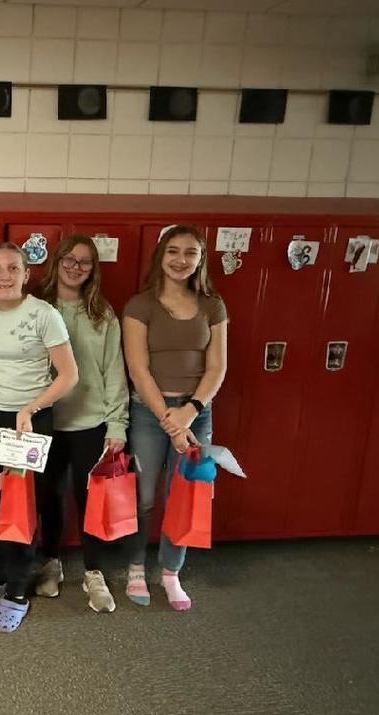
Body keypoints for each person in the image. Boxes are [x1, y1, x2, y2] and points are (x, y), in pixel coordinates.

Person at [0, 243, 78, 632]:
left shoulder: (45, 315)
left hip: (31, 424)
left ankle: (18, 590)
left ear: (27, 274)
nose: (4, 276)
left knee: (21, 509)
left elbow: (68, 375)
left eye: (13, 268)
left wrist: (29, 409)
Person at [121, 225, 227, 611]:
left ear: (201, 259)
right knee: (144, 495)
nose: (181, 260)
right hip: (150, 412)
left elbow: (216, 368)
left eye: (191, 253)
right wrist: (169, 418)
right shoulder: (139, 305)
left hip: (196, 412)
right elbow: (137, 368)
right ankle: (135, 567)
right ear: (160, 256)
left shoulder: (213, 306)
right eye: (173, 252)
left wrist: (190, 413)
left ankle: (170, 573)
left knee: (184, 495)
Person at [35, 235, 129, 613]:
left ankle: (93, 572)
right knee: (47, 497)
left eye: (85, 262)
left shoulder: (102, 314)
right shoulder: (37, 309)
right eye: (69, 260)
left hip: (91, 422)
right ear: (57, 262)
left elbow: (114, 372)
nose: (76, 267)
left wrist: (116, 425)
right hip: (46, 421)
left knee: (91, 502)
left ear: (93, 269)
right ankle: (51, 561)